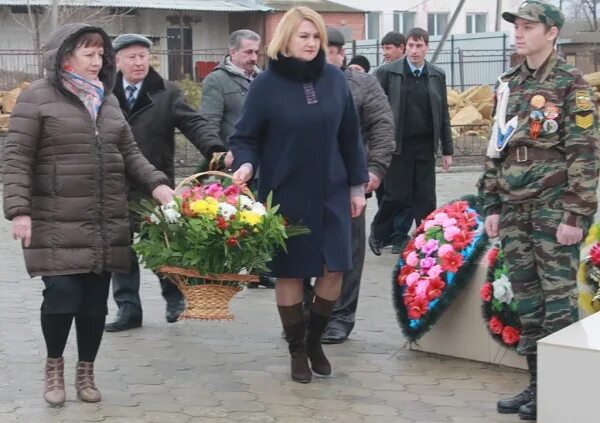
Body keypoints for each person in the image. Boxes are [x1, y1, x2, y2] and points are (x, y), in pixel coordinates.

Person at [3, 23, 174, 407]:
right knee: (62, 295)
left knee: (95, 304)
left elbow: (129, 154)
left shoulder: (107, 100)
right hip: (54, 218)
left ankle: (86, 372)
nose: (98, 62)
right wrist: (19, 211)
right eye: (89, 54)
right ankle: (53, 368)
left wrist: (158, 184)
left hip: (104, 219)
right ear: (65, 57)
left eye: (101, 55)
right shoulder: (37, 98)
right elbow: (16, 157)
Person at [229, 7, 369, 383]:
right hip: (286, 192)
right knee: (290, 272)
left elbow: (350, 136)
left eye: (316, 37)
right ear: (286, 40)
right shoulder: (266, 84)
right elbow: (244, 137)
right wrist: (245, 165)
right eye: (304, 36)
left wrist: (357, 186)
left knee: (335, 268)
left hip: (333, 190)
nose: (311, 43)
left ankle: (314, 341)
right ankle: (296, 351)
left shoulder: (335, 80)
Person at [482, 2, 599, 420]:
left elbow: (585, 153)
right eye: (516, 26)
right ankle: (535, 386)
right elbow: (496, 148)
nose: (519, 33)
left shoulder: (572, 84)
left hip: (553, 210)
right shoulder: (509, 83)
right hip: (514, 209)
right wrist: (491, 202)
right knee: (527, 301)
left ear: (551, 33)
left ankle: (560, 389)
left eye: (528, 26)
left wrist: (576, 215)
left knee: (558, 303)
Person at [104, 34, 227, 332]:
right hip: (114, 184)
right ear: (117, 61)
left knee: (161, 244)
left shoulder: (166, 93)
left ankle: (174, 298)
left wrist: (214, 148)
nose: (138, 62)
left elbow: (194, 123)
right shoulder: (104, 94)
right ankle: (128, 309)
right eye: (131, 57)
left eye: (143, 56)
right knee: (119, 250)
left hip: (154, 185)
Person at [304, 27, 394, 344]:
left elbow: (382, 127)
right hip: (303, 184)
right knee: (300, 247)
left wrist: (375, 170)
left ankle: (339, 316)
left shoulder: (361, 84)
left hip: (347, 184)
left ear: (340, 54)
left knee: (347, 253)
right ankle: (303, 313)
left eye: (324, 49)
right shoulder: (297, 84)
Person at [199, 29, 274, 289]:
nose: (254, 57)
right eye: (248, 52)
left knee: (261, 214)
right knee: (234, 219)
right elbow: (208, 123)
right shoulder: (217, 81)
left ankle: (259, 269)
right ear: (233, 53)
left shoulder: (265, 80)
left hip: (265, 162)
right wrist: (222, 155)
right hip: (235, 163)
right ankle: (222, 271)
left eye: (257, 52)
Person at [369, 27, 453, 256]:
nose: (415, 51)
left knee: (426, 199)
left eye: (420, 46)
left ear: (427, 47)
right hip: (399, 146)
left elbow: (443, 113)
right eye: (411, 45)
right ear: (406, 46)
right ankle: (377, 233)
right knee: (396, 195)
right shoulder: (388, 72)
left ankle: (427, 243)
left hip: (425, 146)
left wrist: (447, 149)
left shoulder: (436, 74)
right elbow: (377, 111)